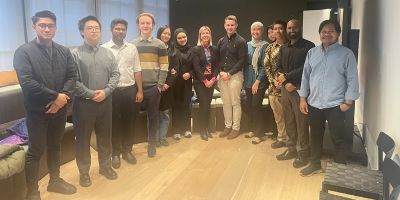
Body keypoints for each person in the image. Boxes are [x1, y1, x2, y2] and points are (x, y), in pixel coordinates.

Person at [13, 10, 77, 200]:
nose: (47, 29)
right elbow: (27, 82)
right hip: (37, 112)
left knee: (55, 146)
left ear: (55, 29)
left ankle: (55, 181)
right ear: (34, 27)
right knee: (35, 151)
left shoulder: (64, 51)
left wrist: (62, 98)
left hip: (60, 110)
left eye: (50, 26)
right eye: (42, 25)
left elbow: (72, 77)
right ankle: (32, 192)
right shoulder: (23, 52)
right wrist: (56, 96)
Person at [299, 19, 359, 176]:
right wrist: (303, 98)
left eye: (331, 31)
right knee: (315, 135)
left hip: (335, 104)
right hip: (314, 103)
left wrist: (348, 101)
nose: (327, 34)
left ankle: (339, 168)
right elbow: (305, 77)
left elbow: (352, 78)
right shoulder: (312, 53)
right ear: (319, 34)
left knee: (338, 137)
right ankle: (315, 164)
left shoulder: (346, 54)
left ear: (337, 34)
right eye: (323, 31)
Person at [72, 16, 120, 187]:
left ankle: (105, 167)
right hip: (84, 104)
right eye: (89, 28)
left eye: (97, 28)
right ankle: (84, 172)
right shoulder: (75, 54)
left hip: (106, 102)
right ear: (81, 32)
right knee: (83, 140)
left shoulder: (108, 53)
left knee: (105, 136)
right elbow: (73, 80)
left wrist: (106, 91)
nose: (94, 31)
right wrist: (91, 94)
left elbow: (116, 74)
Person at [102, 18, 143, 169]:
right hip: (112, 92)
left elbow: (137, 69)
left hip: (130, 90)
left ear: (126, 31)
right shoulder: (104, 48)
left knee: (129, 122)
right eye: (117, 29)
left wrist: (140, 90)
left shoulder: (132, 48)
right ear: (111, 30)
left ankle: (127, 151)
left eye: (123, 29)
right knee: (114, 124)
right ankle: (115, 154)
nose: (120, 31)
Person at [275, 19, 315, 168]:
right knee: (289, 120)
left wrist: (288, 78)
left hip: (301, 90)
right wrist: (286, 83)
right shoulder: (283, 48)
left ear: (300, 28)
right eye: (289, 28)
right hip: (286, 90)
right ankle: (291, 149)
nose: (291, 30)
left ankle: (303, 153)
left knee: (302, 123)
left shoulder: (309, 46)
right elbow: (278, 67)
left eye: (294, 27)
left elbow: (307, 67)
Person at [132, 13, 168, 157]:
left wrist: (159, 86)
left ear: (152, 25)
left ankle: (152, 144)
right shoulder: (133, 45)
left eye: (148, 23)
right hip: (136, 88)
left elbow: (164, 66)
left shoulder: (159, 44)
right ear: (138, 25)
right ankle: (129, 147)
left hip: (153, 88)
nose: (145, 26)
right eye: (143, 23)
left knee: (153, 118)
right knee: (132, 118)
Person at [217, 15, 247, 139]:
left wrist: (229, 73)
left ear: (236, 25)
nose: (230, 27)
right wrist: (220, 72)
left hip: (235, 76)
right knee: (226, 103)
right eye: (228, 25)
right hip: (222, 76)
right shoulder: (221, 41)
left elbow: (242, 60)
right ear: (224, 26)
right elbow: (217, 59)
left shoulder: (241, 41)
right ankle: (227, 126)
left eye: (232, 25)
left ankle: (235, 128)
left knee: (235, 102)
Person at [192, 26, 220, 141]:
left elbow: (217, 65)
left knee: (207, 105)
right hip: (200, 82)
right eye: (202, 33)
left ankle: (207, 128)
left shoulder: (214, 49)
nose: (205, 35)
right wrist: (205, 81)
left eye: (207, 33)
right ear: (200, 35)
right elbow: (196, 67)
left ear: (210, 35)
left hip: (211, 81)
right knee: (203, 105)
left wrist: (213, 79)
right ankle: (202, 129)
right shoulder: (196, 49)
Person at [264, 20, 288, 150]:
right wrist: (274, 81)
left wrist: (284, 81)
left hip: (289, 88)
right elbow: (266, 67)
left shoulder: (290, 46)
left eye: (280, 28)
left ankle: (292, 140)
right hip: (274, 88)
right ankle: (281, 138)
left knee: (290, 116)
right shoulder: (269, 48)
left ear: (285, 30)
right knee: (278, 116)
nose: (277, 31)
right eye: (275, 28)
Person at [243, 21, 269, 144]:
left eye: (258, 29)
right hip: (248, 80)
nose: (255, 32)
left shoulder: (265, 46)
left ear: (262, 31)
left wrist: (257, 81)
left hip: (259, 81)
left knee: (256, 106)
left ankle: (260, 133)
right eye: (253, 29)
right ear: (250, 31)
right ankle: (253, 129)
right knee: (248, 106)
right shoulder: (247, 44)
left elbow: (264, 66)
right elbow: (244, 63)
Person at [156, 25, 179, 146]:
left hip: (167, 87)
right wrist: (158, 84)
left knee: (164, 114)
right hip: (154, 86)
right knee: (154, 114)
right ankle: (154, 139)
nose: (166, 36)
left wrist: (167, 84)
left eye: (168, 34)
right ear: (159, 33)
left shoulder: (173, 50)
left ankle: (163, 138)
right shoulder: (153, 46)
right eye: (164, 33)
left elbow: (175, 70)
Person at [171, 28, 194, 140]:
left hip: (187, 82)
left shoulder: (192, 49)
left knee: (186, 105)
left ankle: (187, 129)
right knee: (176, 106)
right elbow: (171, 65)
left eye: (184, 37)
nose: (182, 39)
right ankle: (176, 130)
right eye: (179, 38)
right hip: (176, 82)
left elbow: (196, 66)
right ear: (176, 39)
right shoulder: (172, 49)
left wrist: (190, 73)